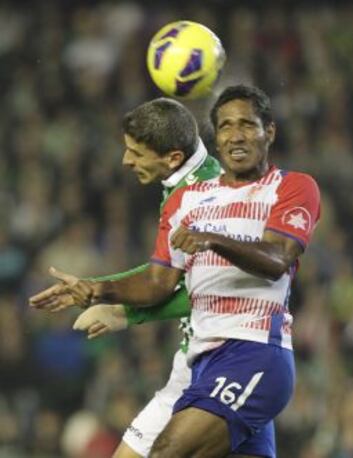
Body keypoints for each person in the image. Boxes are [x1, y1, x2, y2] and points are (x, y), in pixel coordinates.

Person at [30, 84, 321, 457]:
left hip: (255, 353)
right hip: (199, 362)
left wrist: (213, 239)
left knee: (167, 452)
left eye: (248, 125)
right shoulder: (186, 200)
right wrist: (96, 289)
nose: (236, 135)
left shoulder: (293, 187)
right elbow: (157, 283)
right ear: (215, 138)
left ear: (270, 131)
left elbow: (277, 260)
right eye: (227, 126)